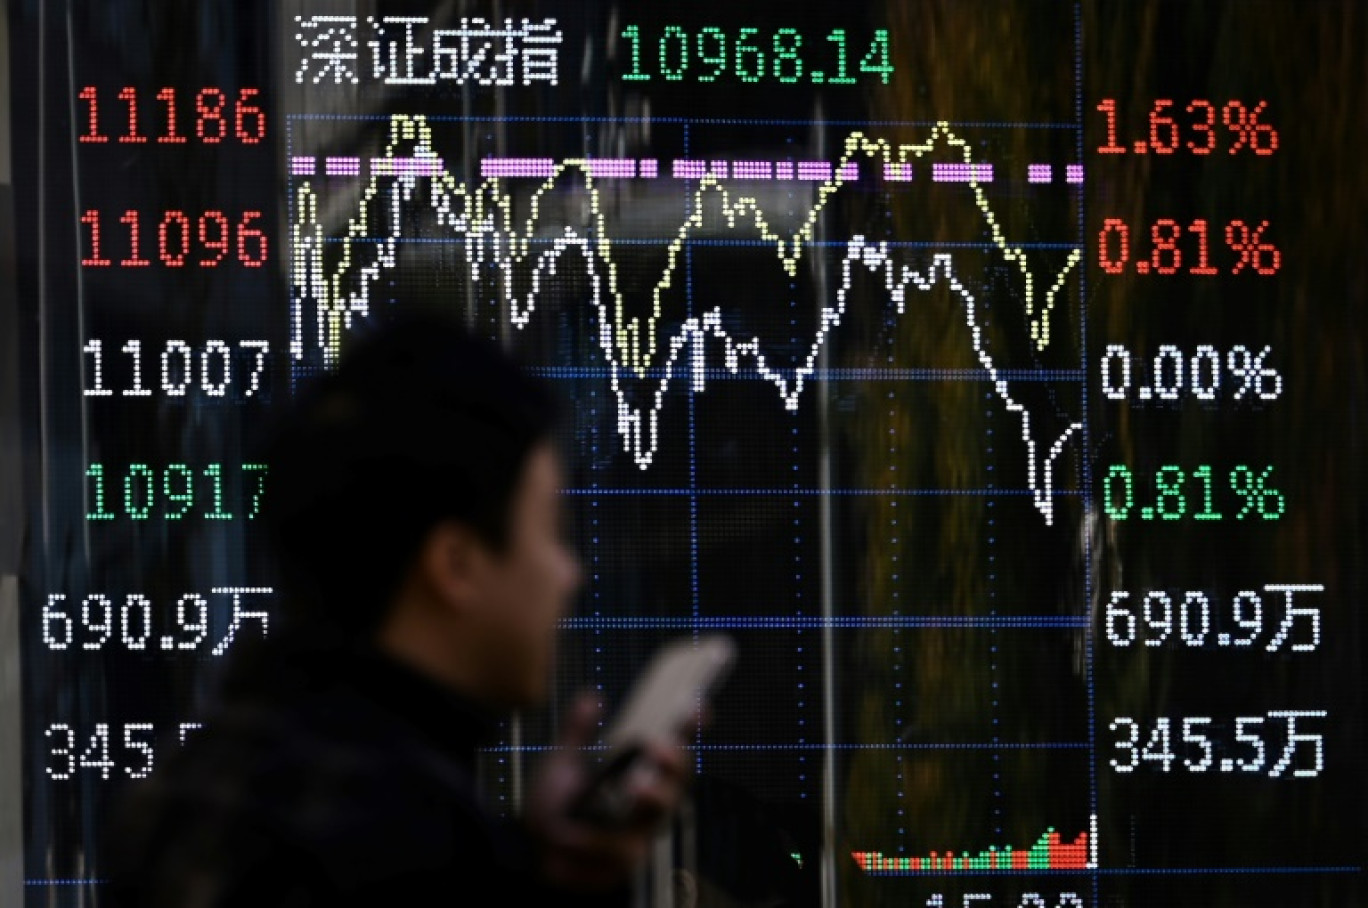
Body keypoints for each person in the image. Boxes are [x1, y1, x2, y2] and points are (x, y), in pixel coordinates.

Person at [104, 315, 689, 905]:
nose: (572, 573)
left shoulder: (188, 787)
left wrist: (537, 863)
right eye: (553, 533)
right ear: (455, 565)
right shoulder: (402, 841)